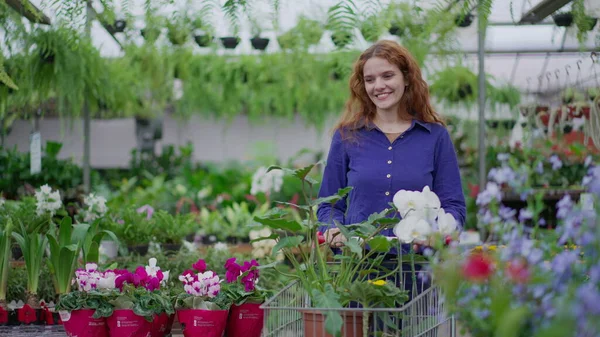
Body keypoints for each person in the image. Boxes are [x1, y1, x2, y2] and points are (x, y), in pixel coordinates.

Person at [316, 39, 466, 333]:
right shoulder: (347, 137)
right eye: (370, 79)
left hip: (416, 271)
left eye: (387, 76)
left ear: (406, 78)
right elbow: (329, 204)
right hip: (358, 270)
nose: (379, 86)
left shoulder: (434, 137)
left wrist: (438, 233)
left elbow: (454, 207)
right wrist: (332, 229)